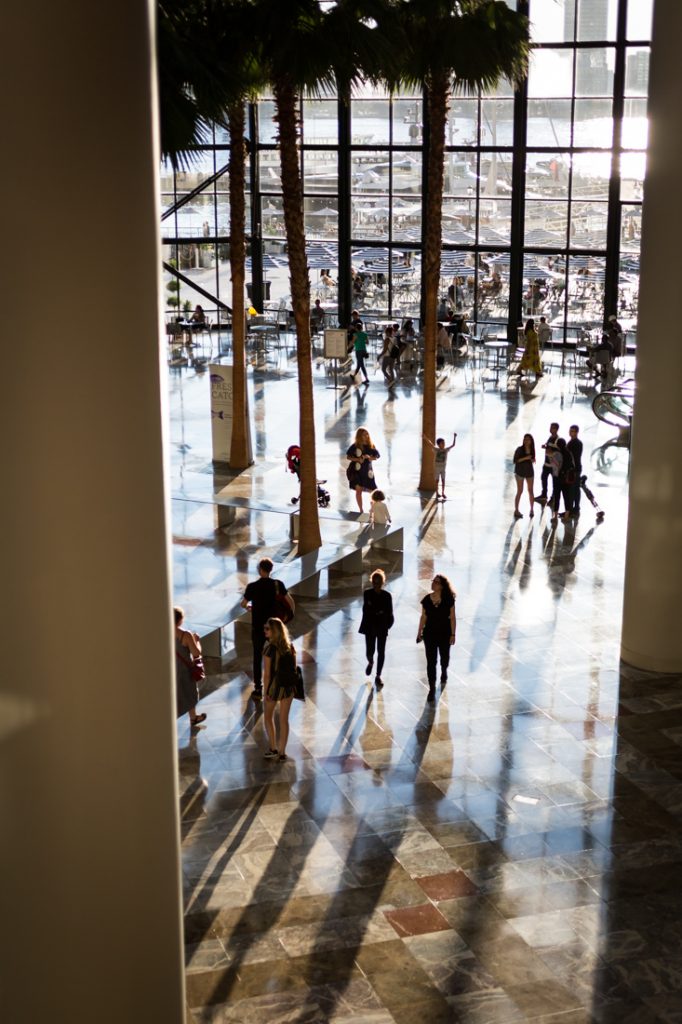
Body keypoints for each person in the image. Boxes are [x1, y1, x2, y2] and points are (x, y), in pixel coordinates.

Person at [241, 558, 295, 701]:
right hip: (274, 627)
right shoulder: (278, 584)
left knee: (257, 657)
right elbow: (290, 602)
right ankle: (275, 683)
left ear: (260, 569)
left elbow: (243, 603)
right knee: (277, 654)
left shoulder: (252, 587)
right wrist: (286, 620)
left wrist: (249, 608)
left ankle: (258, 688)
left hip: (258, 627)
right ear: (271, 569)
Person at [262, 618, 298, 762]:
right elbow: (294, 668)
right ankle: (282, 752)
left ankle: (273, 748)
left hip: (275, 688)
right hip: (288, 687)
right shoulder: (290, 647)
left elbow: (267, 674)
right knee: (284, 720)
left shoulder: (269, 650)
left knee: (268, 717)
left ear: (274, 632)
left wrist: (266, 692)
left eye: (267, 629)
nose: (264, 631)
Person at [417, 574, 456, 702]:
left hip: (444, 634)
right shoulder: (427, 600)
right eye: (433, 581)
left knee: (444, 657)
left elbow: (453, 617)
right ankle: (432, 687)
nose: (433, 583)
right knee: (431, 662)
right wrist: (419, 633)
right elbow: (423, 617)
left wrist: (453, 634)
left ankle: (444, 671)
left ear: (442, 586)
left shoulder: (448, 599)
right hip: (430, 634)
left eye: (436, 582)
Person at [359, 569, 394, 690]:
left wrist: (386, 626)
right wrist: (378, 612)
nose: (376, 585)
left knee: (381, 651)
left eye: (378, 583)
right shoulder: (367, 594)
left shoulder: (387, 596)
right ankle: (370, 662)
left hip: (382, 627)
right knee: (370, 650)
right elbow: (366, 610)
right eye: (374, 582)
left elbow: (390, 614)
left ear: (382, 583)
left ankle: (378, 675)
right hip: (370, 626)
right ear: (372, 582)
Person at [174, 606, 206, 727]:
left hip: (171, 670)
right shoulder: (185, 635)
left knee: (177, 694)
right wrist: (197, 641)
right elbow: (196, 653)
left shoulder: (164, 633)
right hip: (184, 671)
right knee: (188, 693)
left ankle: (193, 718)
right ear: (180, 620)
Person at [346, 428, 380, 514]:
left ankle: (372, 510)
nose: (366, 436)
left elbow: (376, 457)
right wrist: (357, 459)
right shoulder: (355, 446)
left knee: (373, 491)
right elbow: (348, 457)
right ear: (359, 436)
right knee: (358, 491)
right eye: (364, 434)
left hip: (368, 472)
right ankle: (361, 510)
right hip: (357, 472)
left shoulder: (371, 445)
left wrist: (369, 458)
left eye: (367, 434)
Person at [423, 432, 457, 501]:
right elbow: (430, 444)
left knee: (443, 480)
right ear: (439, 444)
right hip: (437, 468)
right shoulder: (436, 449)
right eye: (442, 443)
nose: (443, 444)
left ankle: (443, 492)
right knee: (437, 480)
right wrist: (425, 437)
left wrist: (454, 437)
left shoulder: (446, 450)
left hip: (443, 468)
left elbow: (453, 445)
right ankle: (437, 492)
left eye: (444, 443)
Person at [550, 437, 575, 523]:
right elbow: (572, 465)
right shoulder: (568, 453)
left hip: (558, 479)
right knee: (566, 497)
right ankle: (567, 516)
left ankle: (555, 516)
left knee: (557, 497)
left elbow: (555, 466)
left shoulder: (557, 454)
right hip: (566, 479)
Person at [513, 434, 535, 519]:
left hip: (529, 472)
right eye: (525, 439)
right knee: (520, 491)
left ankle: (532, 510)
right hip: (520, 472)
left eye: (528, 439)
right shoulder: (519, 449)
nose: (526, 441)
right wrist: (526, 458)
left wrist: (532, 460)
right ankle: (516, 510)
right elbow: (515, 461)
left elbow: (532, 459)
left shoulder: (532, 449)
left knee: (530, 491)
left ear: (531, 441)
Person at [538, 422, 560, 504]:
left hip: (553, 466)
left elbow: (557, 452)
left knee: (554, 482)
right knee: (543, 478)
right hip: (546, 464)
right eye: (550, 427)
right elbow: (549, 447)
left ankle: (553, 498)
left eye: (553, 428)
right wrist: (545, 446)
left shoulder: (558, 440)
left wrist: (549, 450)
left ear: (557, 429)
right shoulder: (550, 437)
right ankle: (544, 495)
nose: (550, 429)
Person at [567, 424, 583, 517]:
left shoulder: (576, 443)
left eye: (572, 431)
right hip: (575, 469)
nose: (570, 432)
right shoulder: (573, 442)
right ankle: (573, 508)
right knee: (574, 489)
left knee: (574, 490)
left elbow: (574, 457)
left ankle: (574, 509)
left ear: (576, 432)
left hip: (574, 469)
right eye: (570, 430)